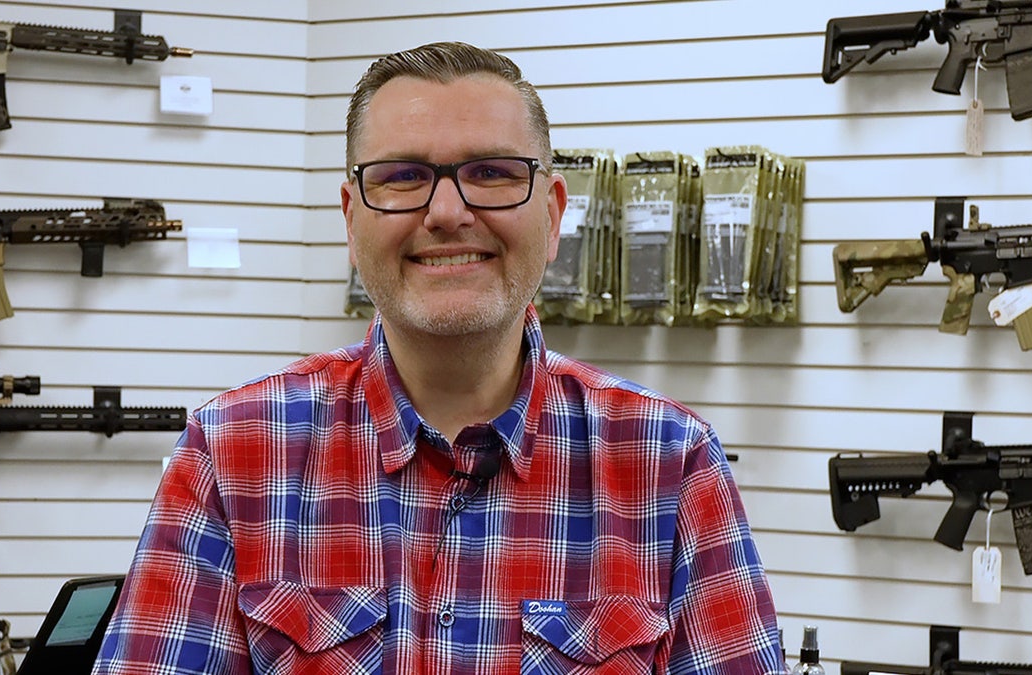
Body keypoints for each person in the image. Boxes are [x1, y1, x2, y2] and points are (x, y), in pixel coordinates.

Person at [93, 41, 785, 675]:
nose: (448, 211)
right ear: (350, 218)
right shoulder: (231, 452)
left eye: (491, 172)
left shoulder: (672, 463)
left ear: (553, 216)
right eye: (403, 175)